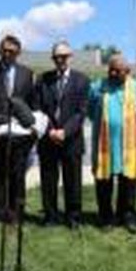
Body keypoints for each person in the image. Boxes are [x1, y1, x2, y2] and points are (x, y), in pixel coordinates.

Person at [88, 55, 136, 233]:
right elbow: (90, 110)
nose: (112, 73)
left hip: (128, 145)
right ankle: (106, 217)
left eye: (117, 70)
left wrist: (129, 123)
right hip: (104, 145)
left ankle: (127, 215)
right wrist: (104, 123)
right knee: (104, 181)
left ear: (128, 72)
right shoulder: (98, 87)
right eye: (110, 69)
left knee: (128, 181)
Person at [33, 40, 90, 228]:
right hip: (48, 139)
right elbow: (38, 108)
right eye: (57, 57)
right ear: (53, 59)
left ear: (70, 57)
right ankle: (50, 215)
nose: (60, 60)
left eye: (64, 56)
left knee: (72, 181)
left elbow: (81, 112)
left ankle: (73, 216)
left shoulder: (82, 80)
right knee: (48, 180)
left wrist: (65, 132)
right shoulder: (42, 79)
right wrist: (50, 131)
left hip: (71, 139)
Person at [0, 34, 35, 224]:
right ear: (0, 50)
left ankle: (16, 213)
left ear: (18, 52)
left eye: (12, 51)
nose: (7, 54)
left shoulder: (27, 73)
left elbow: (31, 104)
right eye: (4, 50)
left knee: (17, 174)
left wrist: (30, 127)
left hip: (20, 133)